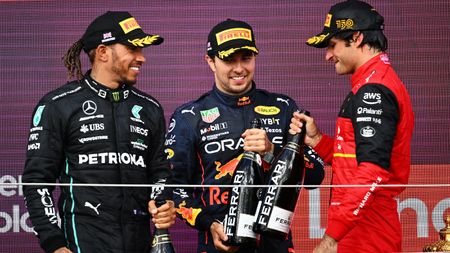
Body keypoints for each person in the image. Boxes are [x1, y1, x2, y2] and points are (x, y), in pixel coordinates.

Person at [22, 11, 176, 253]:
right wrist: (55, 244)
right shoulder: (58, 104)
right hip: (82, 243)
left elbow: (160, 174)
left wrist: (164, 203)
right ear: (103, 52)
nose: (141, 58)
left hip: (140, 243)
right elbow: (36, 182)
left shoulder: (150, 108)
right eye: (133, 49)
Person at [165, 19, 324, 253]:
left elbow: (315, 177)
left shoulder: (283, 107)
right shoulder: (189, 116)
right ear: (211, 61)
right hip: (219, 244)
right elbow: (175, 189)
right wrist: (208, 224)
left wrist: (272, 152)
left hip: (275, 245)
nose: (239, 69)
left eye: (246, 59)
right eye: (229, 60)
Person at [290, 1, 414, 252]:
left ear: (356, 37)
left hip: (367, 234)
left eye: (332, 45)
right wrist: (316, 140)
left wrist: (332, 237)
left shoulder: (375, 89)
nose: (327, 55)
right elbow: (353, 160)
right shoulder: (370, 83)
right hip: (359, 230)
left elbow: (373, 171)